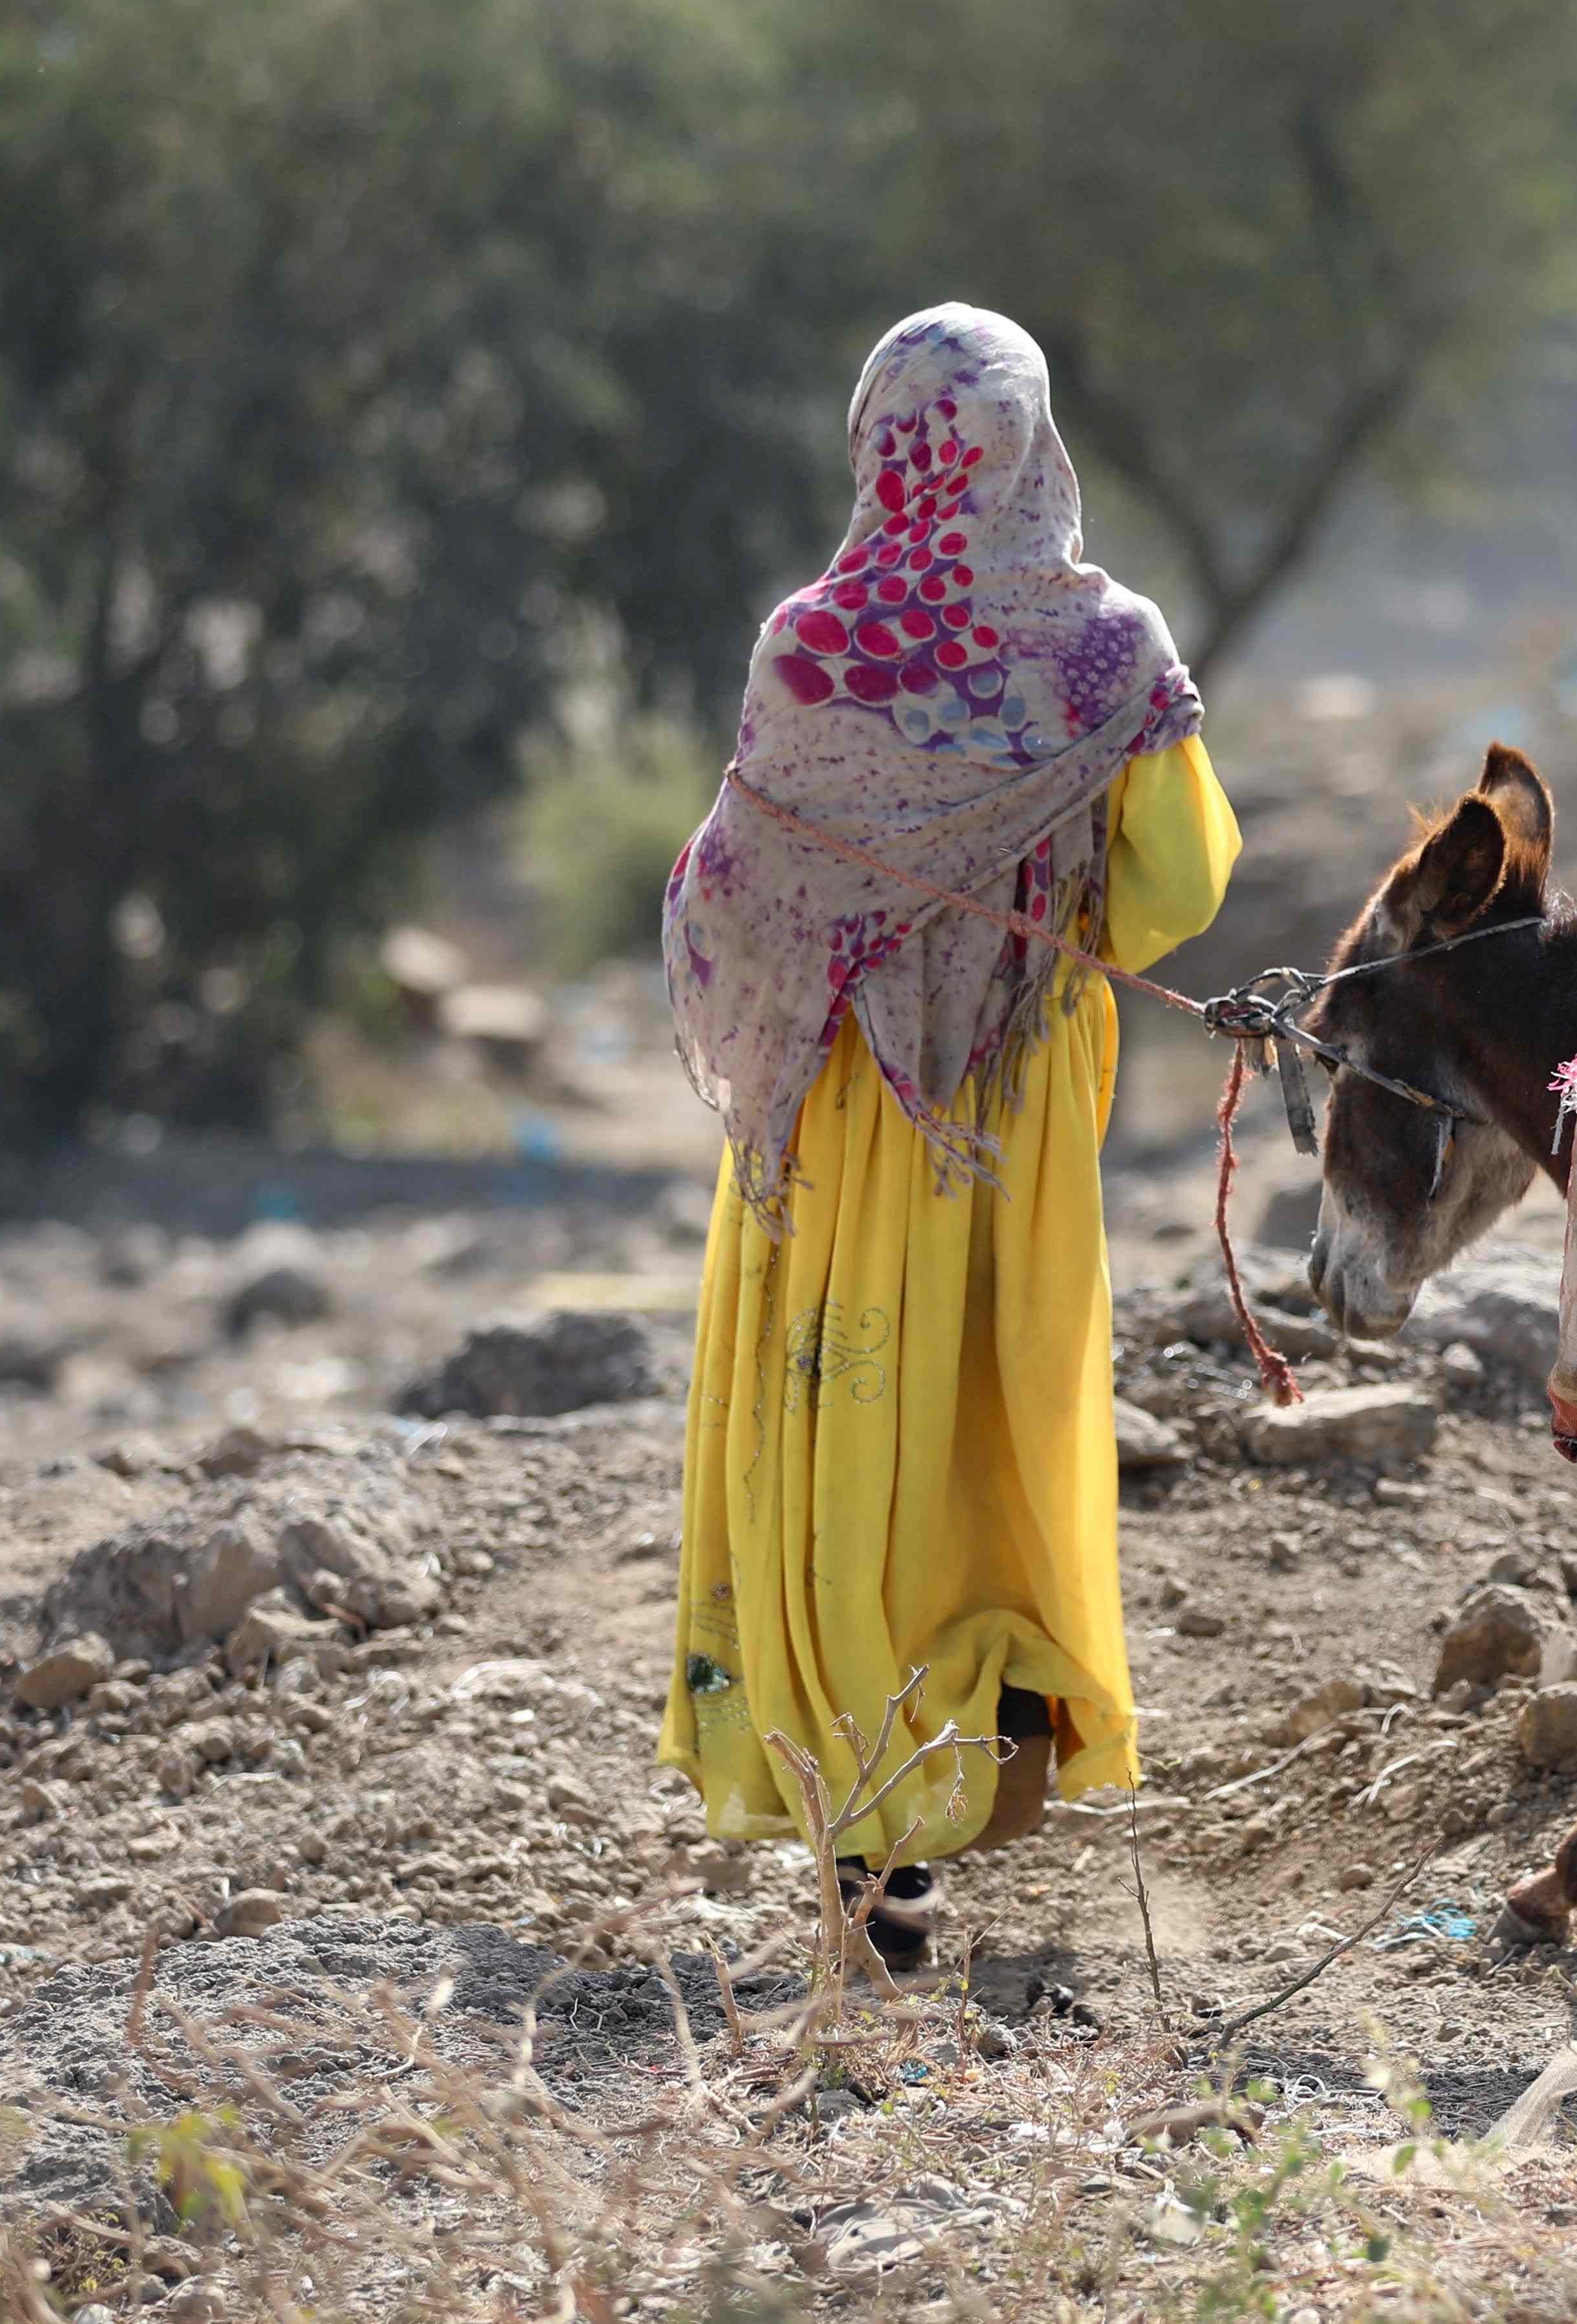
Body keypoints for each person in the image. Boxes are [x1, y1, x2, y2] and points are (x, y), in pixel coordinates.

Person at [657, 304, 1237, 1966]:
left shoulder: (805, 647)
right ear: (1025, 442)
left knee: (840, 1431)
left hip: (827, 1121)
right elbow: (1177, 888)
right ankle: (959, 1773)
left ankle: (857, 1839)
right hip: (998, 1114)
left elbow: (733, 894)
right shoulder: (1104, 652)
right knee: (985, 1425)